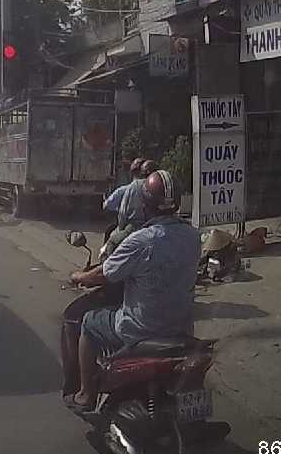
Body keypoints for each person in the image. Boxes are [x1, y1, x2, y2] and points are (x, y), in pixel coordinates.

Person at [65, 169, 201, 411]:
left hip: (141, 328)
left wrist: (78, 276)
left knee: (88, 322)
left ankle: (86, 395)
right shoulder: (193, 236)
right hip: (181, 328)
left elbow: (103, 274)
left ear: (145, 204)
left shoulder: (142, 240)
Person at [101, 158, 158, 260]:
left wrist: (121, 229)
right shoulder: (160, 187)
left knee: (110, 245)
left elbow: (122, 214)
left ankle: (105, 263)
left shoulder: (131, 187)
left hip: (134, 228)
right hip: (157, 228)